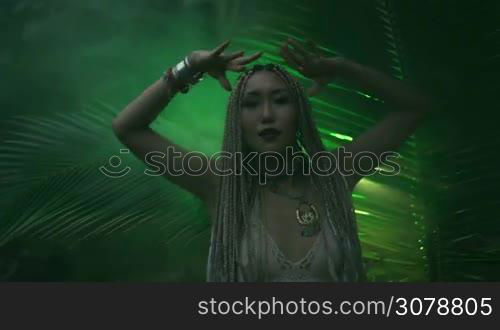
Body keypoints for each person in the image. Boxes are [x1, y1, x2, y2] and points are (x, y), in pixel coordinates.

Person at [112, 38, 431, 282]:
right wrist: (189, 66)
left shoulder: (333, 175)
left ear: (300, 114)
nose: (267, 115)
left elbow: (414, 107)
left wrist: (343, 69)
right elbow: (128, 128)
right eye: (251, 104)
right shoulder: (220, 184)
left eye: (280, 101)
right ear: (238, 120)